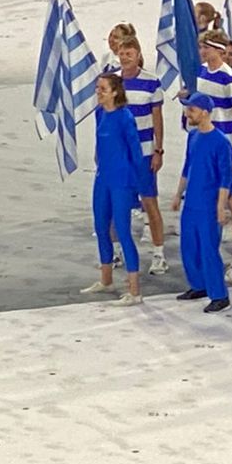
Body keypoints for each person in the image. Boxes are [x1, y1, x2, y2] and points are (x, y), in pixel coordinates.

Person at [80, 74, 146, 306]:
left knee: (123, 230)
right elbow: (100, 146)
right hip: (103, 178)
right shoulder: (100, 113)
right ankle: (106, 280)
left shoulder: (125, 117)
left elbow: (136, 153)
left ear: (115, 92)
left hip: (121, 180)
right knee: (100, 227)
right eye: (97, 88)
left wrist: (137, 188)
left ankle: (135, 291)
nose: (98, 92)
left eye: (103, 89)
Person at [195, 30, 232, 285]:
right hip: (207, 146)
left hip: (227, 148)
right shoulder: (202, 72)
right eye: (201, 47)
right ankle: (212, 255)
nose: (202, 52)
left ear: (218, 49)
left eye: (205, 47)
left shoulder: (229, 78)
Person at [171, 93, 232, 312]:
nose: (188, 114)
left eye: (192, 110)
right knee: (189, 246)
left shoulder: (221, 142)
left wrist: (221, 206)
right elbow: (187, 167)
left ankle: (220, 295)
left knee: (208, 249)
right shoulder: (193, 136)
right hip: (192, 202)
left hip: (208, 205)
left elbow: (226, 178)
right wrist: (178, 194)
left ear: (205, 113)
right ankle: (199, 285)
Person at [115, 36, 170, 275]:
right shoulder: (113, 82)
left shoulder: (151, 82)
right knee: (117, 203)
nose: (125, 57)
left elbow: (158, 119)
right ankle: (116, 251)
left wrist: (159, 150)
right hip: (119, 155)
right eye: (122, 53)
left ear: (138, 55)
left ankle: (159, 255)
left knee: (149, 202)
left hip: (145, 153)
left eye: (129, 53)